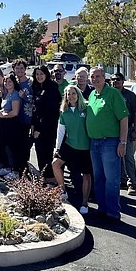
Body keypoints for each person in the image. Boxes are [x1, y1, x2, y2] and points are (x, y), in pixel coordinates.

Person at [86, 67, 129, 221]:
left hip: (110, 142)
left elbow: (123, 118)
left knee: (111, 179)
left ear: (104, 78)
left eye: (98, 76)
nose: (95, 79)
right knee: (99, 178)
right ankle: (102, 208)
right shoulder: (92, 95)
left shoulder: (113, 94)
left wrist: (122, 142)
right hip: (94, 143)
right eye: (92, 76)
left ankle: (113, 212)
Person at [52, 85, 93, 214]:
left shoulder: (86, 108)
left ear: (78, 94)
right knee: (55, 164)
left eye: (73, 93)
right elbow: (61, 130)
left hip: (86, 147)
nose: (71, 96)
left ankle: (85, 203)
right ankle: (63, 191)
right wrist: (57, 147)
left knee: (86, 175)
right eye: (68, 94)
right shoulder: (64, 111)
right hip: (70, 145)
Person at [111, 73, 136, 195]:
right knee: (117, 157)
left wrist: (135, 130)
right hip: (112, 131)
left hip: (127, 130)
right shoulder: (109, 94)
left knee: (128, 157)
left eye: (117, 80)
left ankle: (132, 183)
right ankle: (122, 180)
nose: (115, 82)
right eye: (112, 80)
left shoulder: (130, 95)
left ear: (123, 81)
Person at [31, 65, 61, 179]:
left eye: (42, 74)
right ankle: (43, 177)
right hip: (37, 126)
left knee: (46, 154)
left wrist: (40, 129)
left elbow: (51, 112)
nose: (39, 76)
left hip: (48, 128)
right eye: (37, 74)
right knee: (40, 152)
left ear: (46, 75)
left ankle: (50, 179)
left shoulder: (52, 87)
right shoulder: (36, 87)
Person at [0, 73, 23, 179]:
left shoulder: (15, 95)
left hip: (12, 124)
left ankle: (15, 172)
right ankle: (6, 167)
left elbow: (15, 112)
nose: (7, 83)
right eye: (6, 81)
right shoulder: (7, 94)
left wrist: (2, 115)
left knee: (13, 148)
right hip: (3, 124)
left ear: (14, 83)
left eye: (10, 81)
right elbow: (5, 108)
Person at [12, 59, 34, 174]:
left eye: (21, 68)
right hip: (15, 118)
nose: (19, 70)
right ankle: (17, 169)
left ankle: (25, 169)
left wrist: (25, 97)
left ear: (25, 69)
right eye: (17, 68)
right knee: (16, 145)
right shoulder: (13, 82)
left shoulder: (31, 82)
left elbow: (35, 100)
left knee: (26, 145)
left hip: (27, 118)